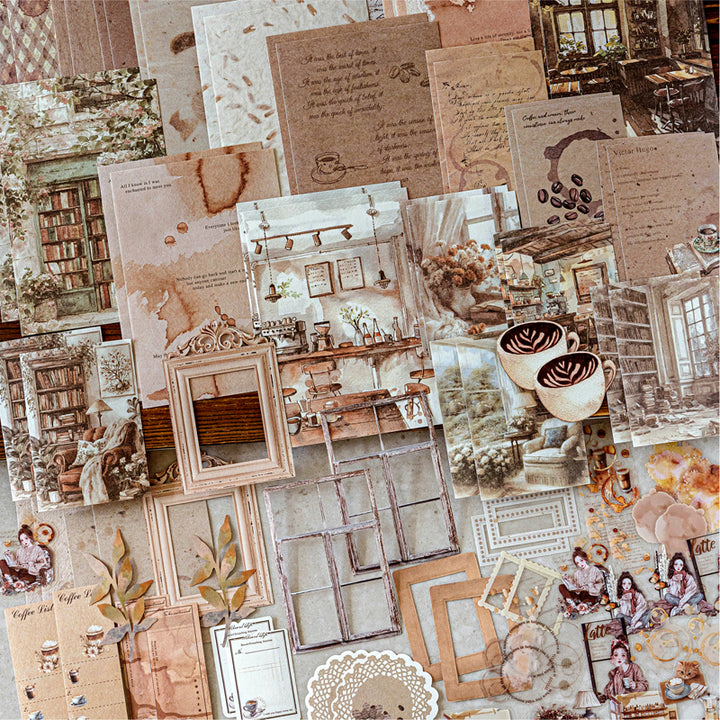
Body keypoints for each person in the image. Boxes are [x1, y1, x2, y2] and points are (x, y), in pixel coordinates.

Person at [0, 525, 51, 592]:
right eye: (22, 540)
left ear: (30, 537)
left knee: (27, 579)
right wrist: (11, 556)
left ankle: (20, 582)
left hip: (30, 573)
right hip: (19, 572)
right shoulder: (20, 550)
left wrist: (30, 565)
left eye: (26, 538)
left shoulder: (37, 549)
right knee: (2, 562)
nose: (24, 541)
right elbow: (17, 564)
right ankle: (9, 580)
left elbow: (43, 563)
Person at [559, 547, 605, 615]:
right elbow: (576, 587)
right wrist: (569, 580)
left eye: (581, 560)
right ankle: (571, 601)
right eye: (577, 563)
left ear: (585, 558)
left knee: (589, 599)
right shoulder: (577, 573)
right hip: (579, 594)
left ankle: (582, 605)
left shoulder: (594, 569)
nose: (580, 564)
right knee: (561, 586)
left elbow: (600, 585)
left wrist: (588, 587)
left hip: (591, 594)